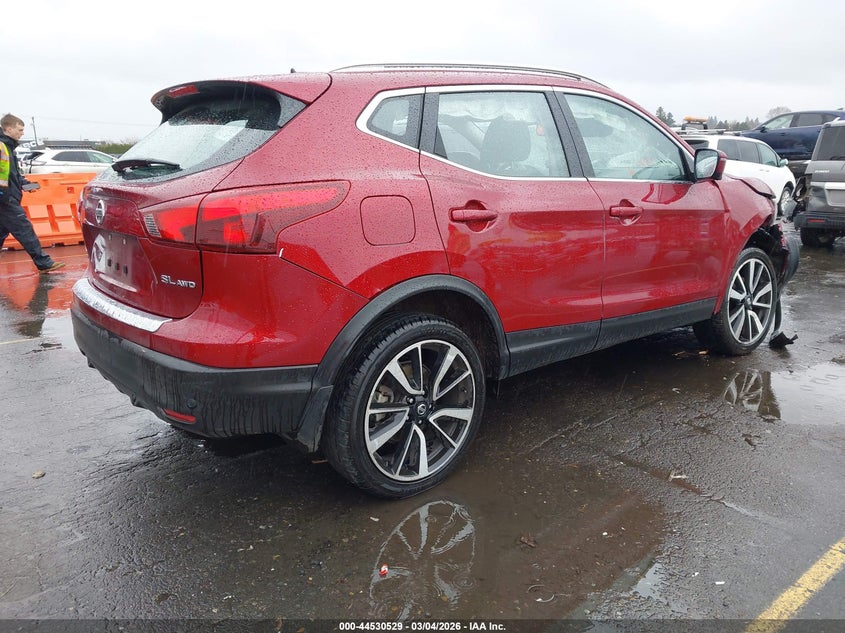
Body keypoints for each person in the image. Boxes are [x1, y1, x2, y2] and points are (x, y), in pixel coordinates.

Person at [0, 113, 65, 273]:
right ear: (8, 129)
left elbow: (10, 173)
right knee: (24, 229)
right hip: (5, 199)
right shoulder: (2, 146)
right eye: (20, 129)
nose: (22, 133)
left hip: (7, 197)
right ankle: (43, 263)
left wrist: (24, 183)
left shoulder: (8, 147)